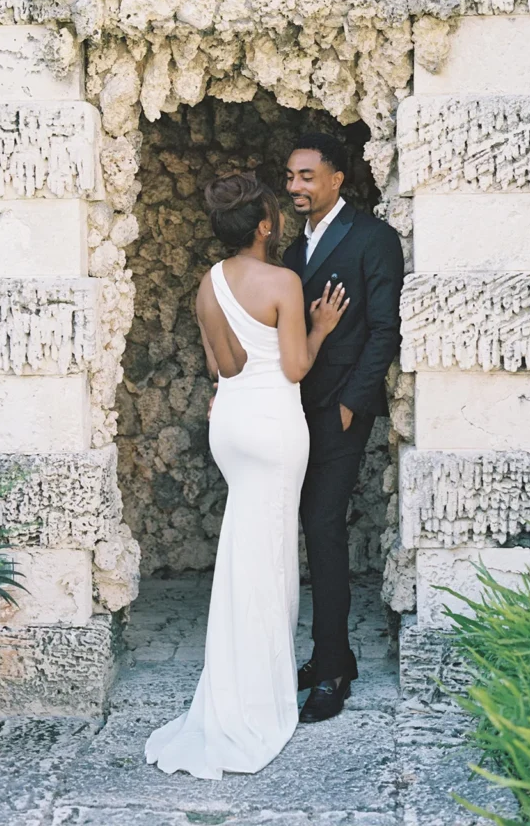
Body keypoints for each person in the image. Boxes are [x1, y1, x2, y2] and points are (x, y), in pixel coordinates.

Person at [145, 171, 349, 779]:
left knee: (245, 554)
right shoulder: (284, 281)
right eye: (273, 213)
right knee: (270, 564)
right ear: (264, 226)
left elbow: (221, 365)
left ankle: (236, 682)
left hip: (230, 426)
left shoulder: (207, 284)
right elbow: (292, 368)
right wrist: (320, 327)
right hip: (272, 427)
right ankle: (256, 698)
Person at [283, 132, 404, 724]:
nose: (296, 187)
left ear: (336, 179)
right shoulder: (291, 250)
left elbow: (384, 329)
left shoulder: (374, 239)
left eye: (306, 176)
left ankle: (331, 670)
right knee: (306, 531)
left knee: (323, 527)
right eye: (290, 178)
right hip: (289, 409)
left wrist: (353, 404)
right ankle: (333, 654)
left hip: (338, 413)